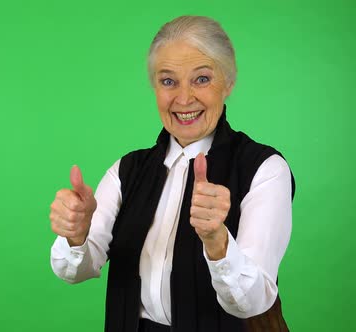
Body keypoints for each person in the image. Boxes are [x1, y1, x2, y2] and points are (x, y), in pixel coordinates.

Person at [49, 16, 295, 332]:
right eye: (168, 81)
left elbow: (253, 301)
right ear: (154, 86)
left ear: (228, 82)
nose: (183, 98)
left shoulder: (264, 169)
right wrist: (76, 235)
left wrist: (218, 242)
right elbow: (75, 271)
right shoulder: (126, 171)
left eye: (202, 79)